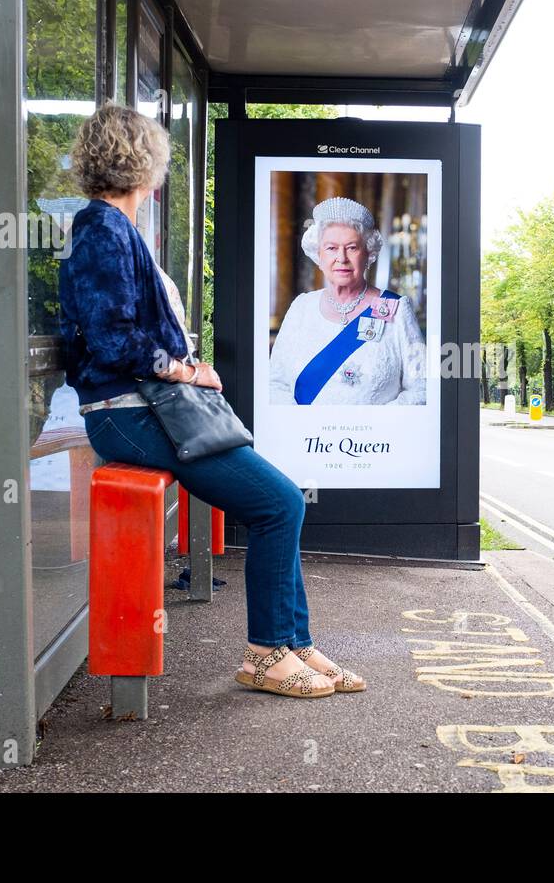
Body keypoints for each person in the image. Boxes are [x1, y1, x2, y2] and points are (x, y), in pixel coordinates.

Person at [58, 104, 364, 698]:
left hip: (143, 410)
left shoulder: (112, 228)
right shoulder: (101, 229)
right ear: (145, 165)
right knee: (278, 503)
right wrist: (188, 370)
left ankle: (293, 643)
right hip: (129, 414)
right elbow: (112, 337)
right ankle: (267, 653)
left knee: (280, 502)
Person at [268, 196, 426, 406]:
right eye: (331, 248)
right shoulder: (301, 307)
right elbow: (275, 384)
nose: (341, 258)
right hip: (309, 438)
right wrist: (301, 426)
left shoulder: (395, 309)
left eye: (352, 247)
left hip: (376, 438)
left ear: (368, 254)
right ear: (319, 255)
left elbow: (423, 387)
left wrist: (376, 425)